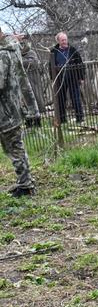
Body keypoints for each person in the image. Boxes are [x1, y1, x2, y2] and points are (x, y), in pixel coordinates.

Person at [0, 27, 40, 197]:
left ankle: (26, 186)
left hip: (5, 111)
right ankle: (25, 182)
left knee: (14, 149)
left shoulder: (2, 55)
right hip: (14, 108)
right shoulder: (13, 47)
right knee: (16, 147)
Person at [50, 32, 85, 124]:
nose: (65, 42)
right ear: (58, 41)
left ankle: (79, 117)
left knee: (76, 98)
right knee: (61, 99)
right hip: (60, 79)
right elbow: (51, 66)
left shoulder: (73, 50)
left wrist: (81, 77)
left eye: (65, 39)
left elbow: (80, 64)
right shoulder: (54, 51)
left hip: (73, 78)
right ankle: (62, 119)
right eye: (62, 40)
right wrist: (53, 78)